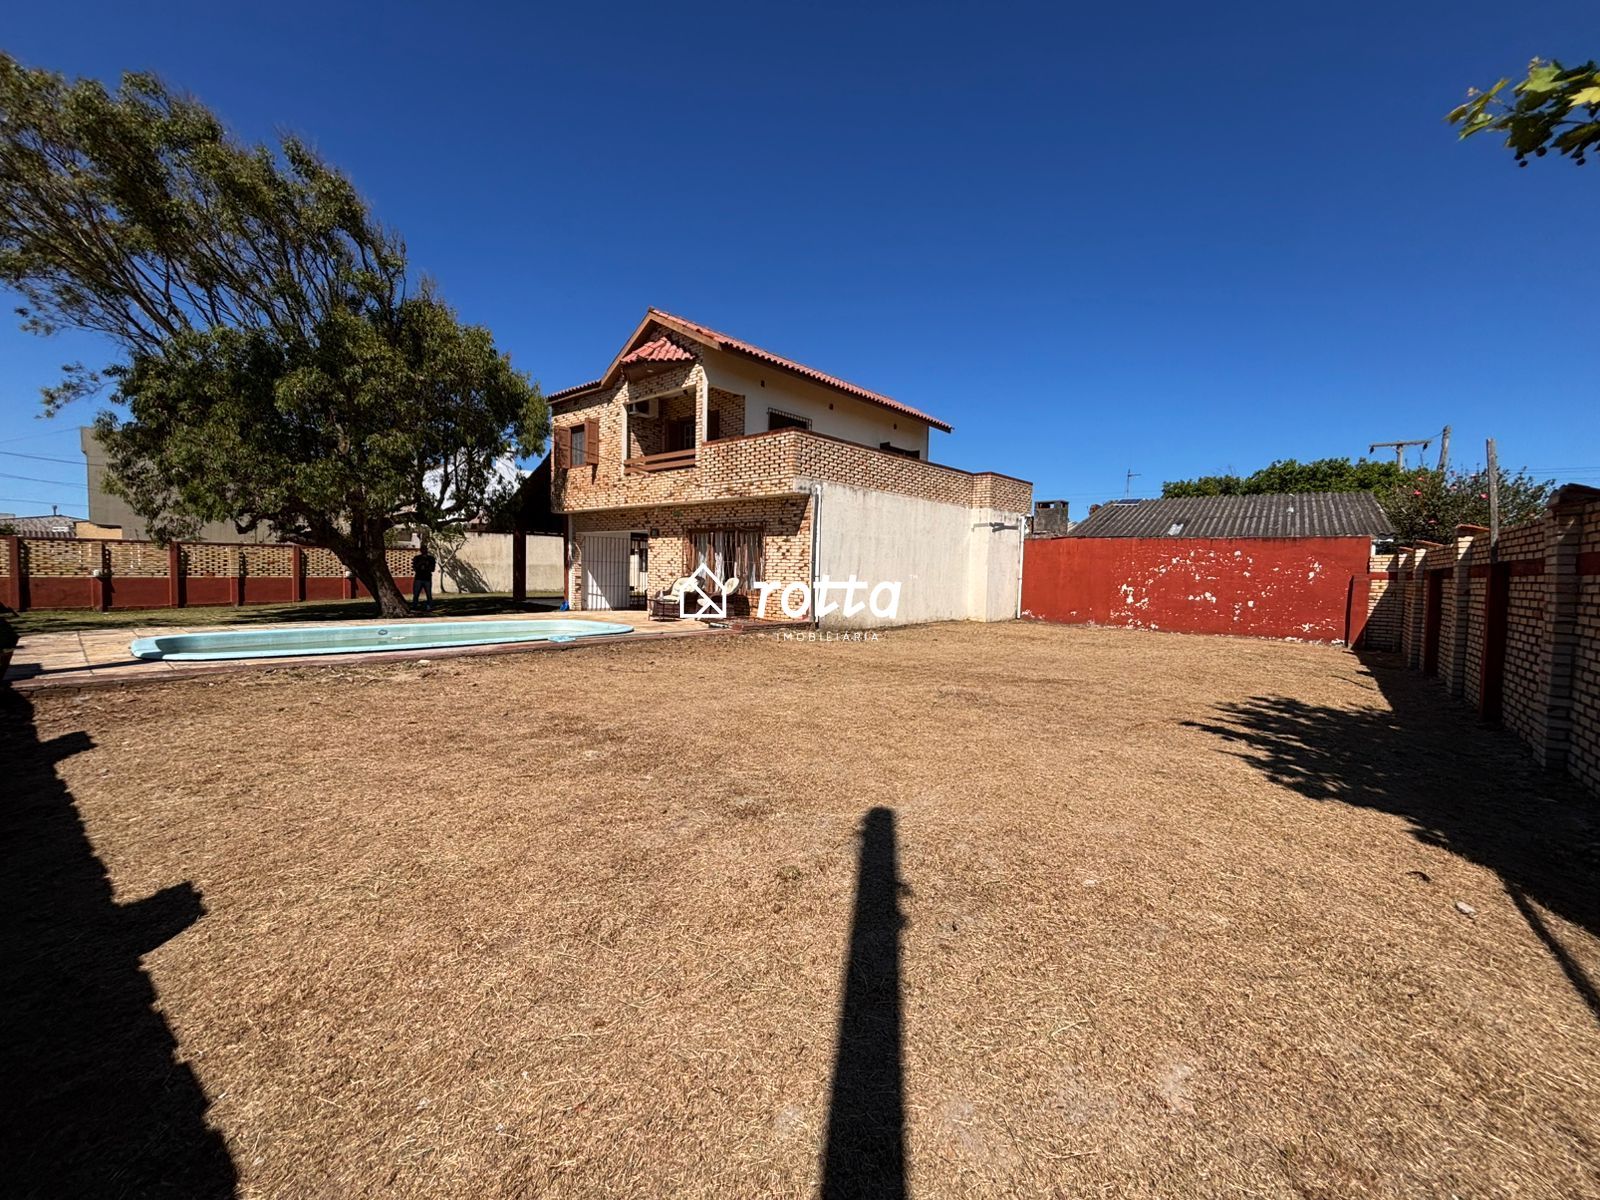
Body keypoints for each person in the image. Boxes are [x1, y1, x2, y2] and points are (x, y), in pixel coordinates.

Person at [411, 545, 437, 612]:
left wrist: (427, 565)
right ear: (420, 550)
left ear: (427, 550)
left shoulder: (431, 558)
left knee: (428, 593)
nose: (424, 551)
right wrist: (420, 563)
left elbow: (433, 569)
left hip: (427, 578)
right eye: (422, 549)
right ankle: (414, 606)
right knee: (416, 593)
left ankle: (429, 606)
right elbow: (414, 567)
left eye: (425, 549)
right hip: (418, 578)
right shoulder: (417, 558)